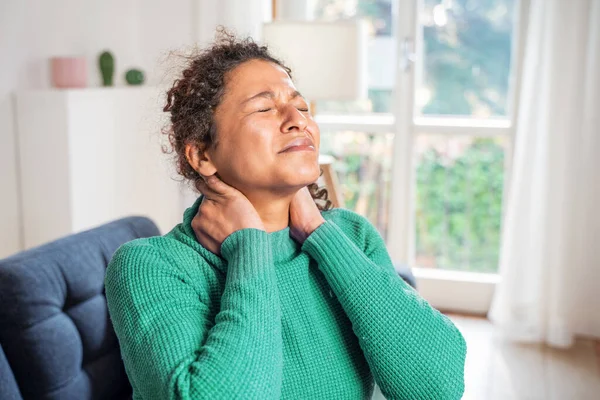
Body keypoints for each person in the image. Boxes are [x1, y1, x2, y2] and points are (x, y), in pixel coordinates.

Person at [104, 29, 467, 400]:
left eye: (303, 107)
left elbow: (437, 389)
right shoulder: (152, 266)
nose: (298, 119)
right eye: (264, 108)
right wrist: (249, 248)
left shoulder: (351, 236)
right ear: (202, 155)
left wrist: (319, 234)